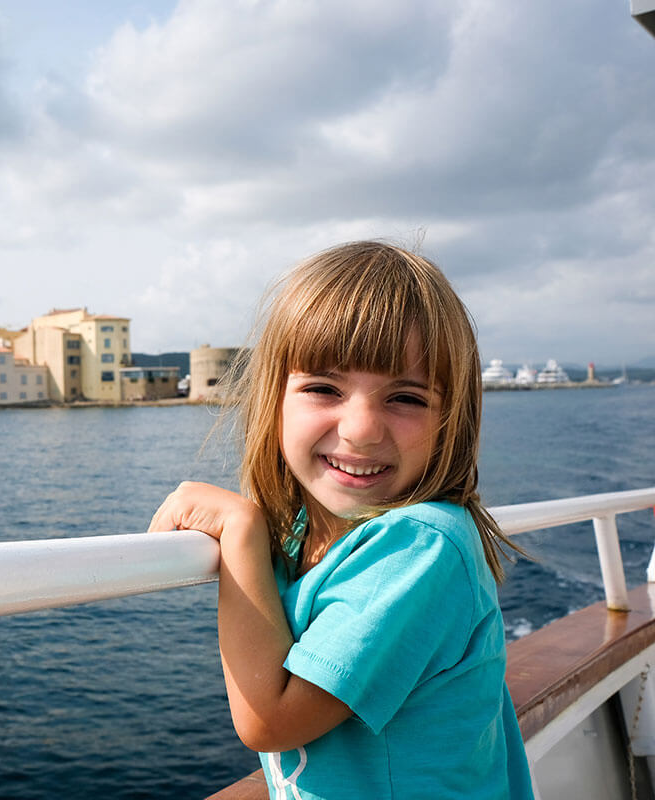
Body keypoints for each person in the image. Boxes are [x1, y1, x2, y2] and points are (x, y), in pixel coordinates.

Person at [149, 241, 533, 799]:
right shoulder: (310, 535)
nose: (360, 430)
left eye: (405, 398)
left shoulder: (422, 546)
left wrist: (240, 530)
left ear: (452, 420)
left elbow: (270, 722)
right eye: (323, 388)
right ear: (272, 401)